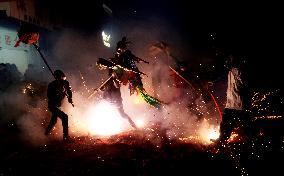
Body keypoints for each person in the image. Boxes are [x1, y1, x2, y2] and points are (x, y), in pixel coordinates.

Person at [215, 54, 252, 148]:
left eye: (230, 60)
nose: (227, 62)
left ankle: (251, 140)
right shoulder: (231, 71)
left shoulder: (240, 70)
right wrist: (213, 81)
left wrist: (234, 69)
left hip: (240, 104)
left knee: (245, 124)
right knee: (225, 123)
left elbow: (244, 82)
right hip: (231, 103)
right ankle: (222, 140)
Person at [44, 70, 73, 141]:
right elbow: (49, 96)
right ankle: (66, 137)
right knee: (65, 117)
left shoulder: (65, 82)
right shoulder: (52, 85)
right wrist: (58, 92)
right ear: (56, 77)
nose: (61, 78)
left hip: (58, 105)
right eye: (59, 76)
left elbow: (69, 91)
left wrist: (70, 98)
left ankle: (45, 134)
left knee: (53, 121)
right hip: (52, 105)